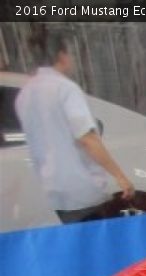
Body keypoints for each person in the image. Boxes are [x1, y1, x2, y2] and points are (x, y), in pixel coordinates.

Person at [14, 31, 134, 224]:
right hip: (82, 187)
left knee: (78, 241)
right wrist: (120, 176)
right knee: (96, 242)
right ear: (62, 55)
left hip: (53, 188)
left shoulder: (25, 94)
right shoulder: (65, 89)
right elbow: (87, 138)